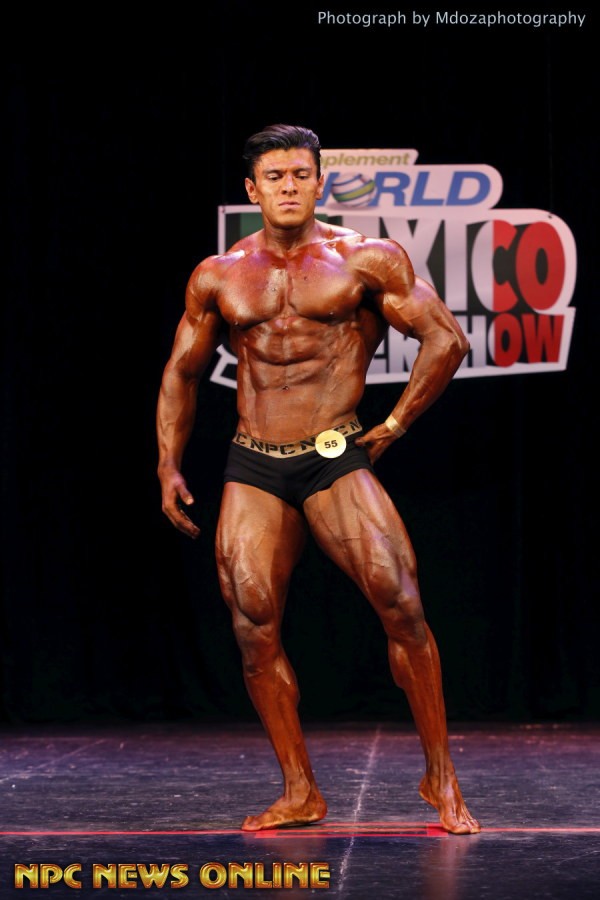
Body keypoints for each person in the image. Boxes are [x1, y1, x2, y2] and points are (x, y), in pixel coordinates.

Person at [156, 124, 481, 835]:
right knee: (252, 624)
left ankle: (440, 776)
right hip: (254, 460)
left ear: (319, 182)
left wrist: (394, 423)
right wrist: (167, 462)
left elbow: (447, 339)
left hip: (333, 454)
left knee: (402, 604)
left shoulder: (364, 258)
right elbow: (181, 371)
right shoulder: (219, 274)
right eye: (275, 177)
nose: (289, 187)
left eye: (301, 175)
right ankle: (300, 790)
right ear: (252, 189)